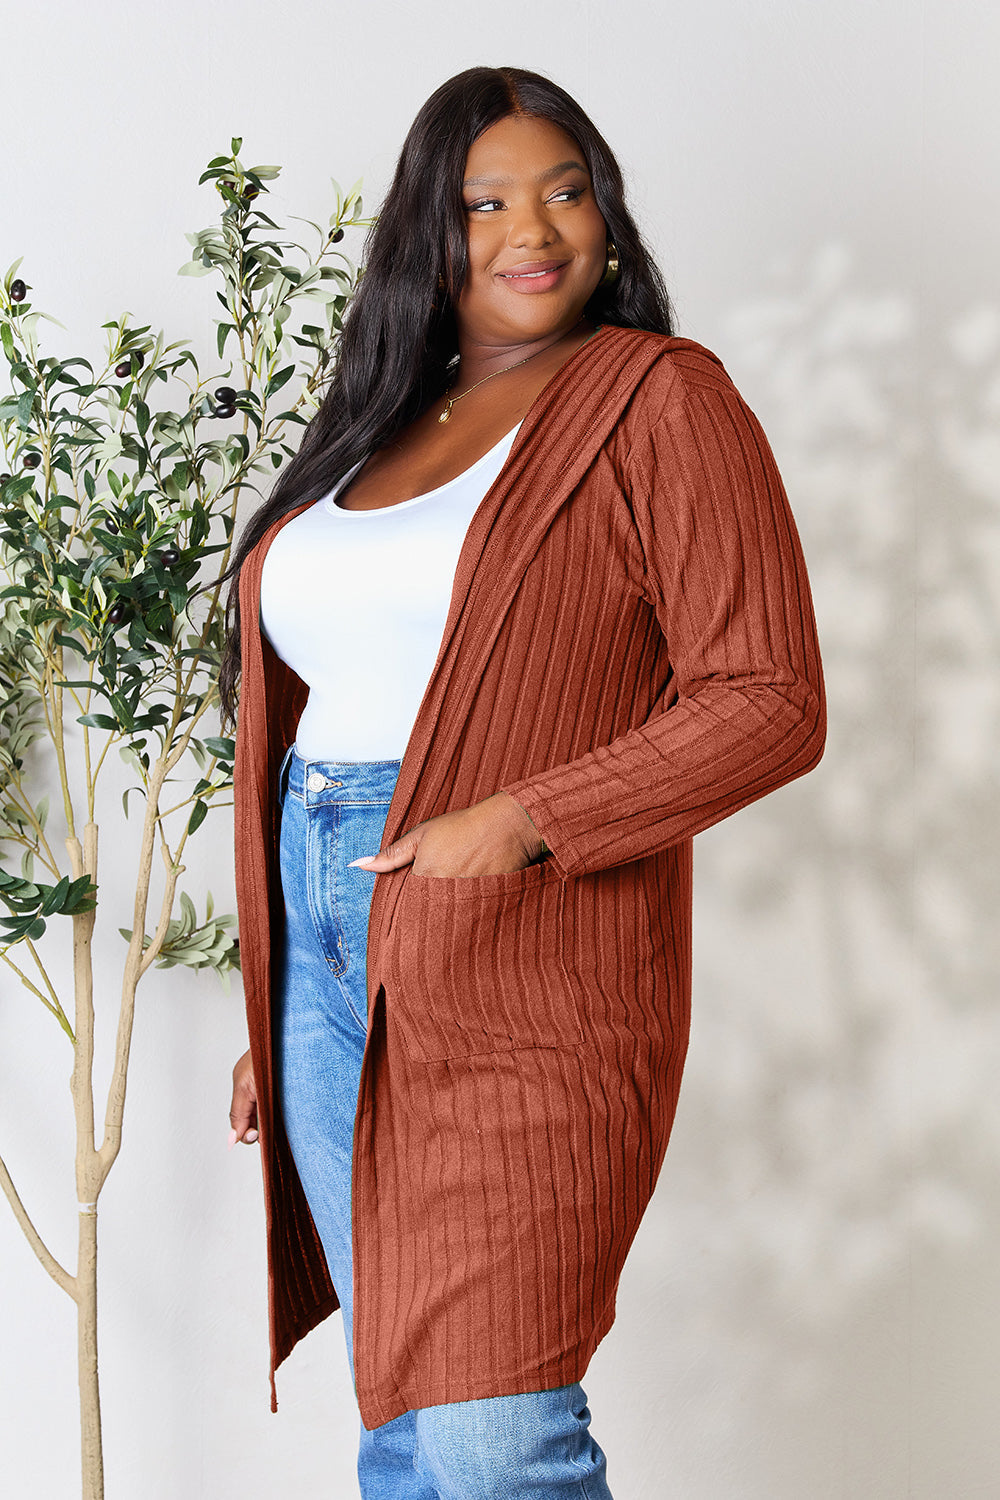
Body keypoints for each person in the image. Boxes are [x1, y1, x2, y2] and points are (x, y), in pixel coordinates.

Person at [221, 64, 825, 1500]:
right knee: (407, 1422)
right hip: (327, 958)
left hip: (522, 963)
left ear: (607, 220)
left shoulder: (658, 401)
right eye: (485, 201)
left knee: (499, 1437)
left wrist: (526, 821)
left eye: (564, 191)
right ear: (428, 234)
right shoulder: (378, 422)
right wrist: (293, 986)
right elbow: (317, 704)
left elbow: (771, 702)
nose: (530, 229)